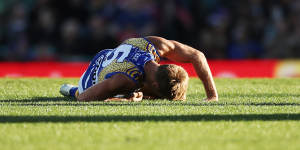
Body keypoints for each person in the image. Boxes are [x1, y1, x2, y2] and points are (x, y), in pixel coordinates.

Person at [60, 36, 218, 102]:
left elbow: (197, 55)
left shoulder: (155, 46)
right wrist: (122, 100)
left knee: (139, 92)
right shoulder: (126, 79)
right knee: (136, 93)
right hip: (89, 81)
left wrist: (212, 95)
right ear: (155, 86)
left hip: (107, 55)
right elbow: (83, 98)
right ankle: (71, 89)